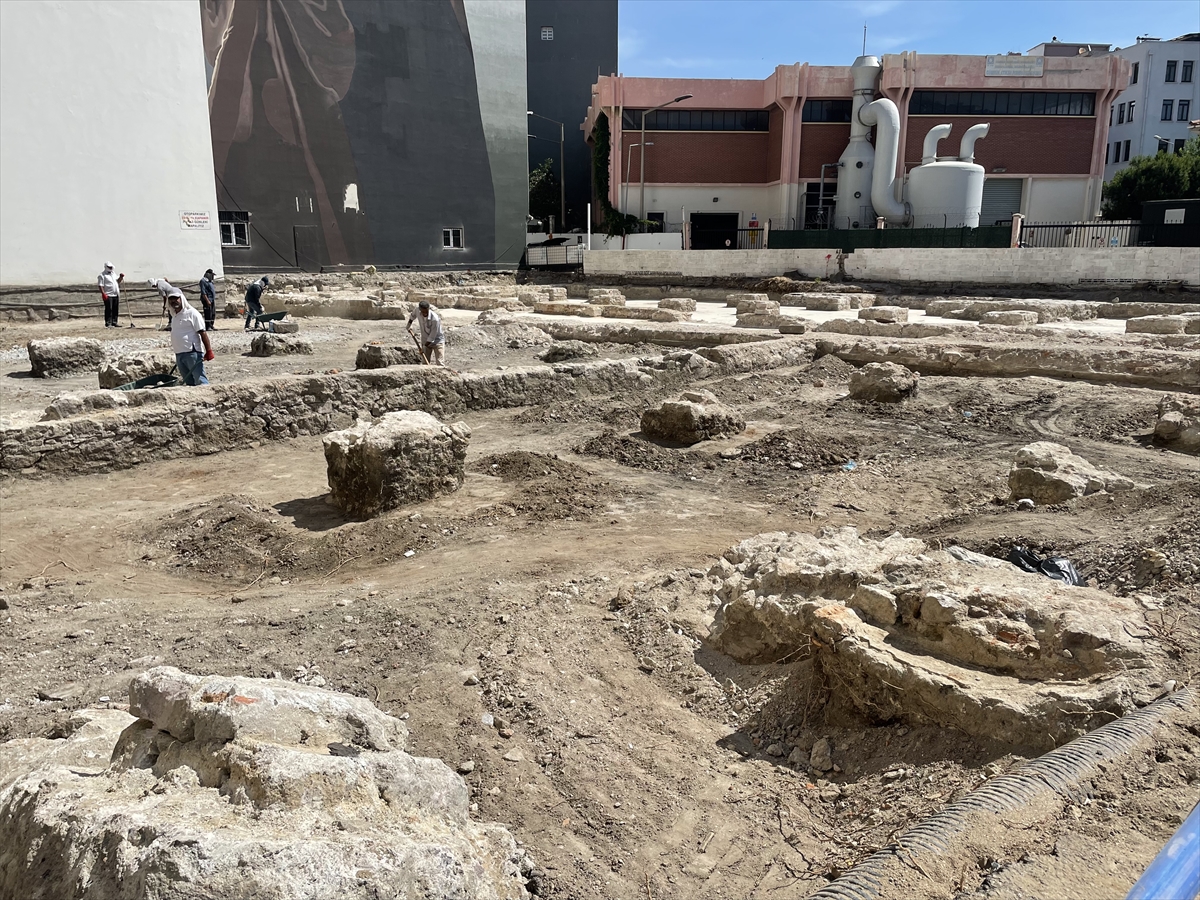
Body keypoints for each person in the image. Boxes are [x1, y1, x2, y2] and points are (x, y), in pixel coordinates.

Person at [167, 290, 214, 386]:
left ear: (181, 298)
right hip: (179, 353)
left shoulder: (192, 313)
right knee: (188, 382)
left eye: (176, 298)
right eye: (171, 299)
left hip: (192, 352)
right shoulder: (174, 315)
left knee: (200, 379)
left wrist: (209, 351)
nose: (173, 301)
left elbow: (203, 333)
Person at [407, 300, 446, 366]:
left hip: (437, 341)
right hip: (425, 340)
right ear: (420, 309)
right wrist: (409, 325)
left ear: (428, 309)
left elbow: (432, 337)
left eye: (426, 311)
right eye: (423, 312)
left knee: (440, 363)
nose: (425, 313)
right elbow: (412, 316)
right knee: (425, 363)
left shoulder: (435, 319)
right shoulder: (417, 310)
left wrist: (423, 347)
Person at [98, 262, 124, 327]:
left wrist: (121, 277)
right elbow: (100, 285)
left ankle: (114, 322)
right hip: (108, 294)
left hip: (115, 294)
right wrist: (103, 294)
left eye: (111, 267)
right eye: (109, 267)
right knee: (109, 309)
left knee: (115, 308)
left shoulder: (113, 274)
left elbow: (118, 282)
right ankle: (108, 322)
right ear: (106, 267)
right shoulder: (102, 275)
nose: (110, 268)